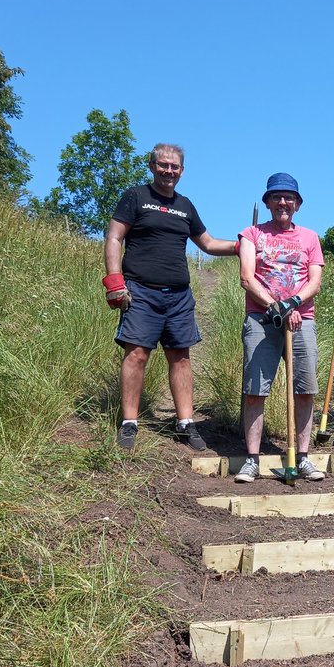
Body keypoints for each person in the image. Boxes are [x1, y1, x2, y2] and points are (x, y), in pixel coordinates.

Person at [104, 143, 238, 452]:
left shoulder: (185, 205)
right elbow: (114, 237)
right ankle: (129, 422)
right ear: (152, 166)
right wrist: (114, 281)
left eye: (174, 166)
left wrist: (242, 244)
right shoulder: (136, 197)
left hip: (178, 296)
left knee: (180, 357)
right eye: (163, 165)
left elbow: (207, 242)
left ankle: (185, 423)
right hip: (140, 291)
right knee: (136, 354)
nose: (168, 170)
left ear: (182, 171)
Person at [235, 173, 325, 484]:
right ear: (268, 202)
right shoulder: (251, 234)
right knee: (255, 390)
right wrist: (278, 307)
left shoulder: (310, 238)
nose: (282, 202)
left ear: (298, 204)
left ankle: (302, 458)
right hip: (261, 319)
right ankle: (252, 459)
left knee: (305, 389)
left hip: (303, 320)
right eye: (276, 197)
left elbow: (315, 281)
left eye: (288, 197)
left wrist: (294, 303)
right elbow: (247, 278)